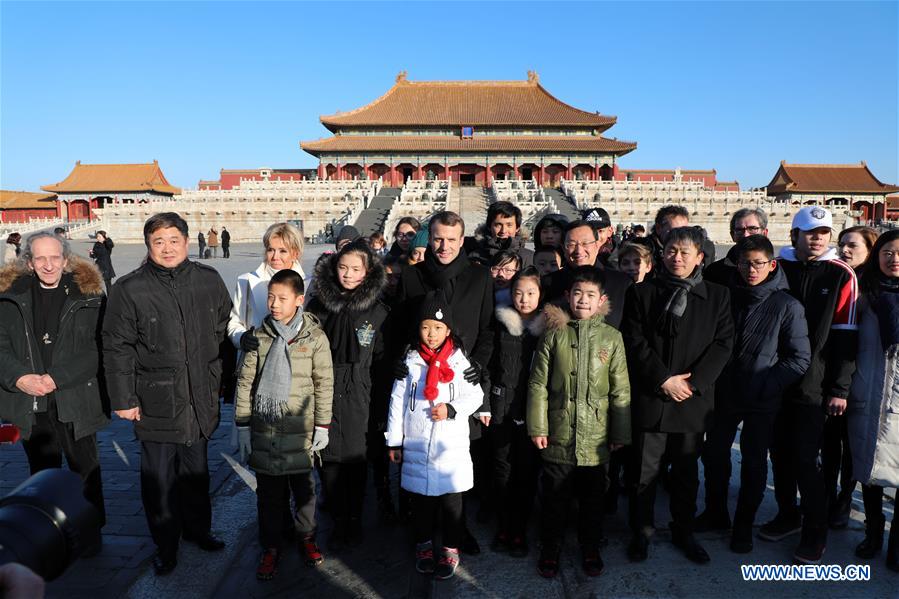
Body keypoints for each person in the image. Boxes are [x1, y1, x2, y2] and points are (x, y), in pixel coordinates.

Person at [103, 212, 232, 576]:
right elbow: (116, 347)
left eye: (174, 240)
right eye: (158, 242)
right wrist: (123, 399)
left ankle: (198, 530)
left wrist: (221, 379)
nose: (167, 248)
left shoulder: (208, 279)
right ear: (148, 246)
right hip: (155, 399)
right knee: (159, 480)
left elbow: (223, 329)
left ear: (187, 242)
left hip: (200, 394)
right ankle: (165, 544)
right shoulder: (129, 288)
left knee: (196, 472)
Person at [622, 226, 734, 564]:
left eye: (685, 252)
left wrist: (693, 383)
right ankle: (641, 531)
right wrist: (662, 379)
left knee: (686, 473)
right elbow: (634, 340)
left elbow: (723, 344)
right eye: (671, 250)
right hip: (652, 396)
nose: (677, 258)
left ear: (699, 257)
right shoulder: (642, 292)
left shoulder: (718, 295)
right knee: (643, 473)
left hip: (691, 401)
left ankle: (683, 530)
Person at [696, 235, 811, 553]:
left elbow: (799, 358)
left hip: (762, 397)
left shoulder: (787, 305)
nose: (751, 270)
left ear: (772, 265)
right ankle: (716, 512)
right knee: (714, 454)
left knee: (754, 461)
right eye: (745, 263)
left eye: (759, 263)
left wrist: (767, 384)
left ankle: (743, 524)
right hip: (724, 393)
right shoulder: (726, 296)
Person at [394, 210, 494, 555]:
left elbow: (487, 329)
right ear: (430, 238)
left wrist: (478, 364)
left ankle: (457, 529)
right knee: (422, 456)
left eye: (452, 239)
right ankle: (422, 527)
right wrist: (400, 362)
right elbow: (401, 327)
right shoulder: (412, 275)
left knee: (459, 459)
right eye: (438, 238)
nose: (444, 246)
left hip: (461, 382)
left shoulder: (479, 276)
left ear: (462, 240)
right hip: (422, 385)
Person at [0, 232, 109, 546]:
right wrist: (19, 377)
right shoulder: (9, 296)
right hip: (30, 401)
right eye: (40, 259)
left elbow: (97, 348)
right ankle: (49, 535)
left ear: (65, 259)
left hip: (75, 396)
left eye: (54, 258)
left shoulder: (89, 295)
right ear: (29, 263)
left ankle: (90, 533)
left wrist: (56, 378)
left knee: (85, 470)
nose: (48, 265)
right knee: (42, 474)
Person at [764, 206, 858, 564]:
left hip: (814, 384)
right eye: (809, 232)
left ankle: (815, 530)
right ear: (794, 235)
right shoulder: (777, 267)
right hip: (775, 379)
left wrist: (839, 388)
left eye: (823, 233)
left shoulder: (841, 274)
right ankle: (787, 514)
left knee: (806, 459)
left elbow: (846, 335)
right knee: (779, 453)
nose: (817, 238)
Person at [528, 266, 631, 578]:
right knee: (554, 497)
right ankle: (550, 547)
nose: (583, 300)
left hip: (596, 437)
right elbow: (538, 384)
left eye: (590, 295)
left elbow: (620, 389)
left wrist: (619, 431)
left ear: (601, 300)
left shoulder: (612, 338)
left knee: (593, 499)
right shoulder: (553, 335)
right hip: (558, 432)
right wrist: (538, 427)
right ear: (567, 296)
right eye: (577, 293)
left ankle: (590, 546)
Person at [234, 269, 334, 580]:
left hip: (301, 432)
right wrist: (242, 426)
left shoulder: (314, 337)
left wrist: (323, 425)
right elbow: (245, 383)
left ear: (299, 300)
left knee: (304, 493)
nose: (274, 304)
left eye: (282, 298)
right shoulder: (259, 336)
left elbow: (324, 383)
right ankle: (271, 547)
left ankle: (307, 538)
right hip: (265, 432)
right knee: (269, 498)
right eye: (271, 297)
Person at [385, 293, 484, 580]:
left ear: (448, 330)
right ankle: (424, 545)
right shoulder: (411, 361)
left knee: (452, 503)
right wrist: (394, 440)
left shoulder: (459, 361)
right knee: (422, 504)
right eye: (426, 327)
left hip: (450, 448)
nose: (431, 334)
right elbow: (397, 402)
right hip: (417, 445)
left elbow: (475, 396)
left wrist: (452, 409)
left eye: (438, 328)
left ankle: (451, 547)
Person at [306, 239, 388, 547]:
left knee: (355, 461)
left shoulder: (378, 310)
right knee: (328, 461)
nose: (348, 274)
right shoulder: (318, 306)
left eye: (356, 269)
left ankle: (354, 518)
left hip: (360, 393)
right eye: (343, 267)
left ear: (367, 272)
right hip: (324, 390)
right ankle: (338, 517)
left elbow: (381, 358)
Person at [847, 229, 899, 572]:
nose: (894, 259)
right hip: (867, 392)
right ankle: (873, 532)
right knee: (869, 469)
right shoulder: (863, 297)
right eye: (888, 252)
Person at [488, 267, 545, 558]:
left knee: (526, 472)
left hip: (533, 412)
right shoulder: (499, 323)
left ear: (540, 295)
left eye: (531, 293)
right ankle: (504, 525)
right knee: (502, 470)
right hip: (502, 410)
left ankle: (520, 528)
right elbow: (488, 366)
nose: (524, 299)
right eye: (518, 293)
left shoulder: (548, 328)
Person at [542, 220, 633, 330]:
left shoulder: (621, 283)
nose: (579, 250)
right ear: (563, 248)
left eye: (585, 243)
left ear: (597, 244)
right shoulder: (549, 283)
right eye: (571, 244)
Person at [704, 208, 769, 286]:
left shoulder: (778, 270)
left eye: (752, 229)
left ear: (764, 233)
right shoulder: (714, 272)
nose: (746, 235)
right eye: (739, 230)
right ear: (732, 235)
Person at [467, 201, 533, 267]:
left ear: (517, 228)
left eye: (509, 225)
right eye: (498, 225)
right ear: (489, 227)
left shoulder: (530, 258)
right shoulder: (476, 257)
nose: (503, 231)